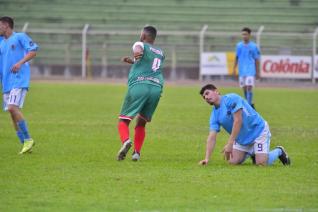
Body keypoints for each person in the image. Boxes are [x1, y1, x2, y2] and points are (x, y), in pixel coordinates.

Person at [198, 84, 291, 166]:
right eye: (204, 97)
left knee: (261, 164)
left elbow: (238, 120)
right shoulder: (214, 115)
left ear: (216, 91)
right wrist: (207, 159)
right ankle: (252, 153)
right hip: (242, 140)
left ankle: (279, 151)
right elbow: (212, 137)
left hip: (258, 131)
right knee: (232, 162)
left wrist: (230, 143)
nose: (206, 97)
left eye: (207, 93)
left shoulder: (231, 99)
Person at [117, 26, 165, 161]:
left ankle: (126, 141)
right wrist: (133, 61)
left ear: (144, 35)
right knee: (141, 122)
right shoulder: (161, 52)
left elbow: (138, 51)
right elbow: (149, 64)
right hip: (156, 87)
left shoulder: (139, 44)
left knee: (124, 120)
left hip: (140, 84)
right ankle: (136, 153)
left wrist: (136, 54)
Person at [0, 16, 38, 154]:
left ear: (6, 25)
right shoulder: (1, 43)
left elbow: (33, 51)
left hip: (19, 79)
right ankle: (24, 143)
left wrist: (19, 63)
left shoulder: (20, 37)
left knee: (11, 108)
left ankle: (28, 139)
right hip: (6, 82)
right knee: (12, 114)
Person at [233, 27, 260, 109]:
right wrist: (234, 68)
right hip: (242, 70)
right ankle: (250, 102)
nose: (244, 36)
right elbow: (237, 57)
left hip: (250, 69)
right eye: (243, 34)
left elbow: (256, 59)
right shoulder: (239, 45)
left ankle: (248, 106)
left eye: (245, 34)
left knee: (249, 86)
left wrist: (258, 72)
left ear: (249, 35)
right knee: (244, 88)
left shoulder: (254, 46)